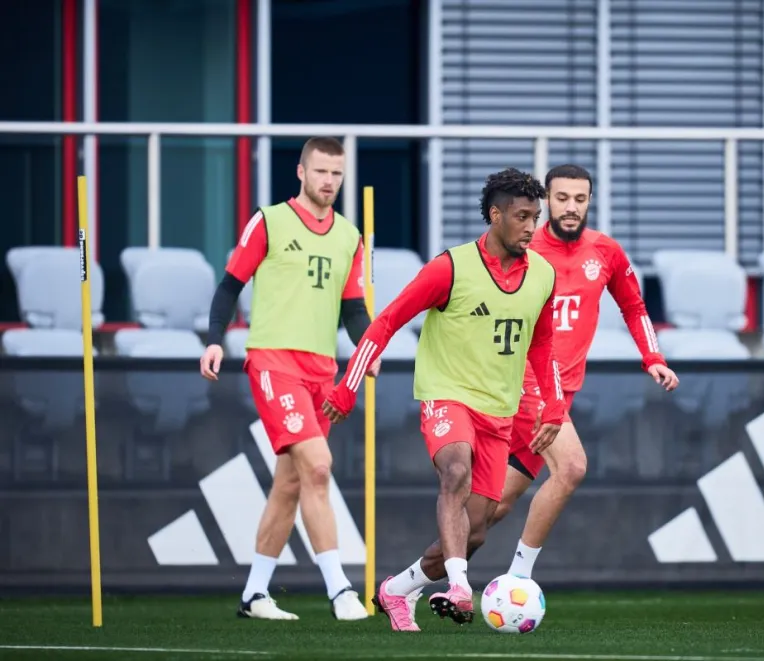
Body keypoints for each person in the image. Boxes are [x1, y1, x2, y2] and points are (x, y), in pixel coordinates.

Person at [402, 164, 681, 620]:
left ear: (590, 201)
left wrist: (653, 357)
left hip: (557, 398)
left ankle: (403, 585)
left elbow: (634, 305)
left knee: (483, 521)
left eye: (580, 199)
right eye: (562, 198)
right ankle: (519, 579)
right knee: (571, 467)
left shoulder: (605, 252)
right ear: (546, 200)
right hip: (521, 389)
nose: (570, 207)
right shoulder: (525, 245)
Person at [322, 167, 565, 632]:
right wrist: (348, 383)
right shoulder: (450, 267)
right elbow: (387, 320)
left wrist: (553, 407)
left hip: (500, 410)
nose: (532, 227)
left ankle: (397, 589)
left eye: (537, 217)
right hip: (446, 395)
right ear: (495, 216)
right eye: (522, 216)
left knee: (475, 531)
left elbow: (542, 344)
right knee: (455, 468)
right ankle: (459, 588)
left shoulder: (543, 276)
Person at [199, 136, 377, 622]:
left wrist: (368, 347)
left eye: (337, 174)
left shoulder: (349, 235)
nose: (329, 182)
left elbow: (354, 308)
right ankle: (341, 591)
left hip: (324, 370)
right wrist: (215, 338)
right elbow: (230, 284)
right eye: (320, 171)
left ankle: (254, 594)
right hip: (274, 362)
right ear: (300, 172)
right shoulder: (270, 220)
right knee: (318, 466)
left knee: (292, 482)